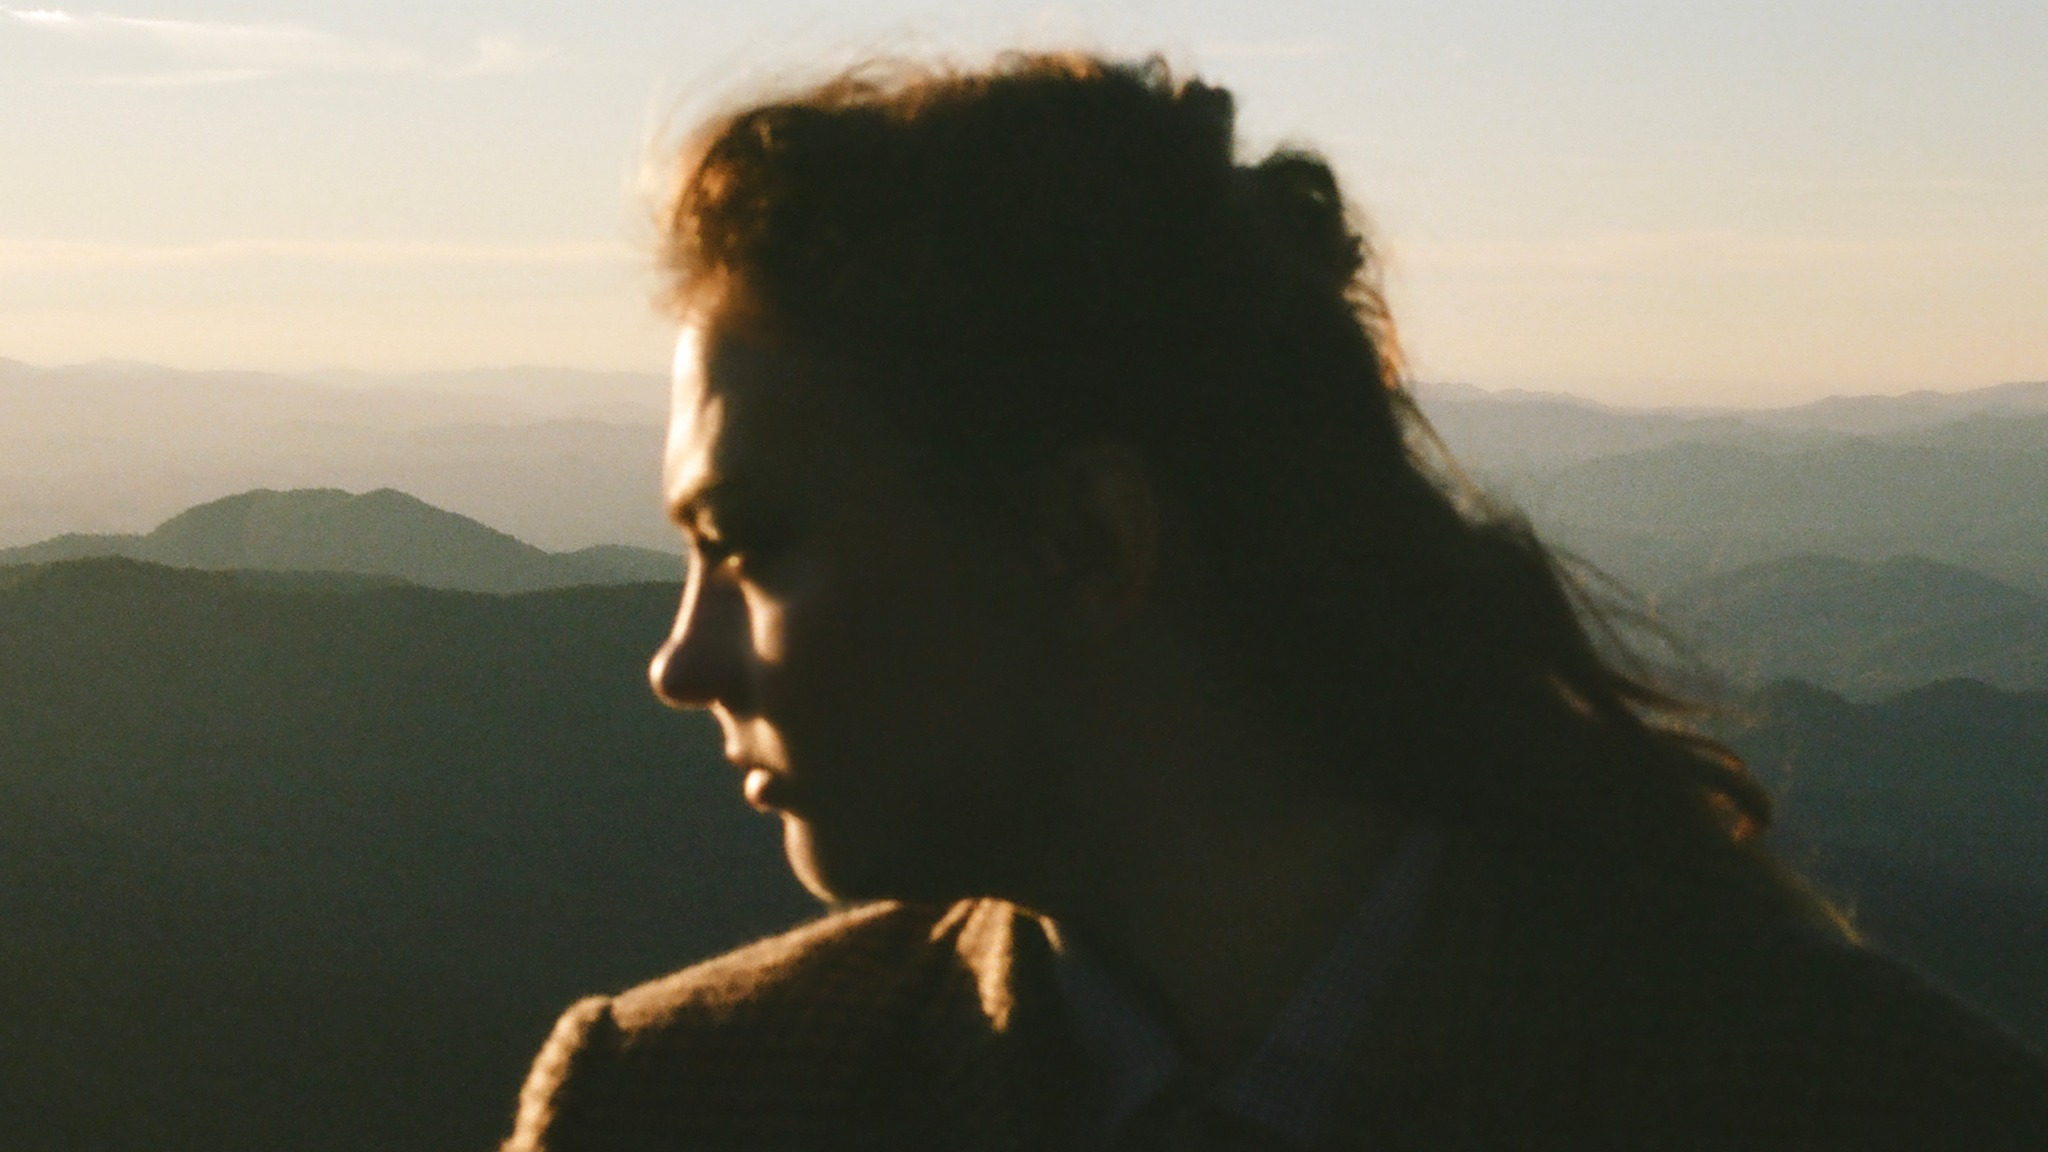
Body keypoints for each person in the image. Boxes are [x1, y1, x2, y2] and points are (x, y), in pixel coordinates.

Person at [501, 52, 2048, 1151]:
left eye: (750, 544)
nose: (679, 661)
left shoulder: (1871, 1112)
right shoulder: (670, 1105)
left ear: (1090, 540)